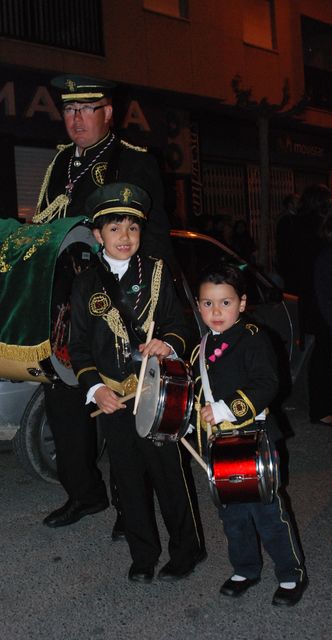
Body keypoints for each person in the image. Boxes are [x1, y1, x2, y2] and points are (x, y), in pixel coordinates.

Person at [34, 75, 173, 535]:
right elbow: (45, 230)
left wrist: (148, 303)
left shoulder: (132, 161)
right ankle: (84, 493)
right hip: (64, 306)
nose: (76, 119)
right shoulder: (59, 162)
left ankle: (128, 506)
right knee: (65, 398)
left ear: (107, 113)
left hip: (118, 302)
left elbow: (152, 238)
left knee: (126, 408)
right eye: (69, 110)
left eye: (86, 109)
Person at [69, 182, 205, 583]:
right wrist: (97, 389)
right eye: (115, 229)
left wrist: (167, 343)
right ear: (98, 235)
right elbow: (78, 348)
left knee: (170, 477)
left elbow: (181, 328)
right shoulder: (84, 284)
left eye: (132, 228)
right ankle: (143, 554)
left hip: (156, 394)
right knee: (128, 481)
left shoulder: (159, 273)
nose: (125, 237)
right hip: (116, 399)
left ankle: (187, 549)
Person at [189, 261, 307, 606]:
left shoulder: (254, 338)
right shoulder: (201, 347)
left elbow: (267, 384)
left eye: (225, 302)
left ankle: (290, 574)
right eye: (208, 303)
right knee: (233, 515)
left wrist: (226, 409)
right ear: (198, 306)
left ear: (241, 303)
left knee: (268, 512)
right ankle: (246, 568)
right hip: (220, 445)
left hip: (253, 438)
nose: (216, 311)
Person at [296, 184, 332, 424]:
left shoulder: (299, 225)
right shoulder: (310, 230)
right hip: (319, 302)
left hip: (310, 297)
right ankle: (321, 410)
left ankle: (322, 409)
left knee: (322, 355)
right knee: (323, 356)